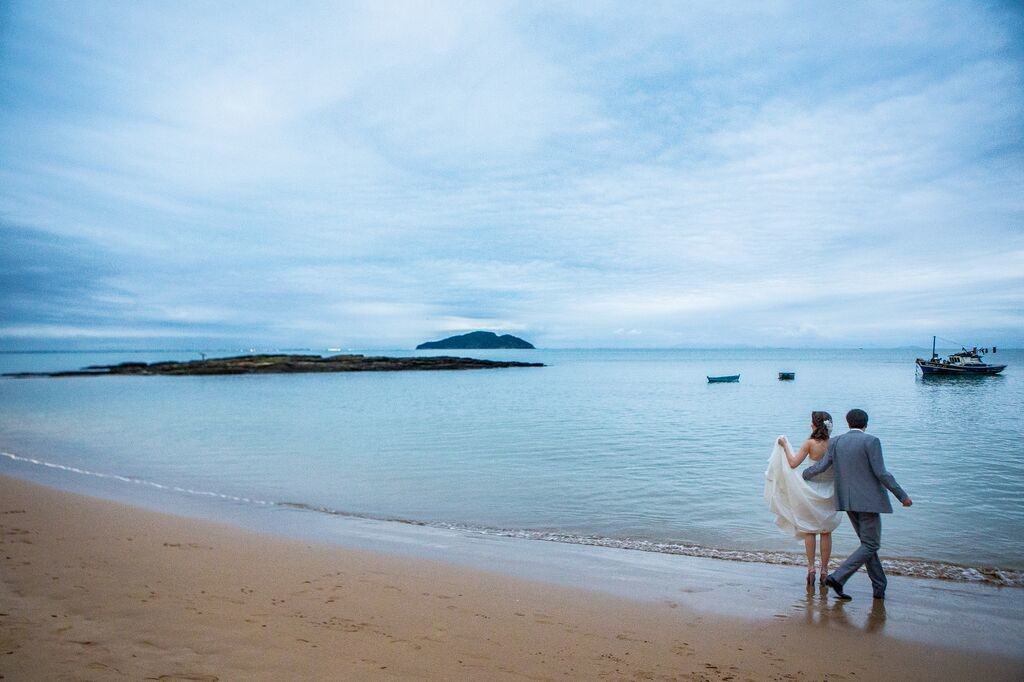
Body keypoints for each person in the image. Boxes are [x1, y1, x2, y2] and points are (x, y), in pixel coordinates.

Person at [803, 409, 912, 601]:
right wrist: (901, 495)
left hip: (847, 500)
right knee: (871, 544)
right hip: (868, 502)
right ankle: (838, 577)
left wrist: (803, 475)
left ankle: (879, 587)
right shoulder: (871, 441)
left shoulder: (836, 441)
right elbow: (881, 473)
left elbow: (822, 466)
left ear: (848, 423)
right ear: (866, 424)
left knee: (868, 545)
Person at [764, 411, 841, 586]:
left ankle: (811, 568)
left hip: (811, 491)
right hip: (830, 492)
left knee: (810, 531)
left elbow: (793, 464)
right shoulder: (834, 444)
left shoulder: (810, 444)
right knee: (826, 531)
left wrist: (784, 446)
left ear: (814, 425)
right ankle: (824, 570)